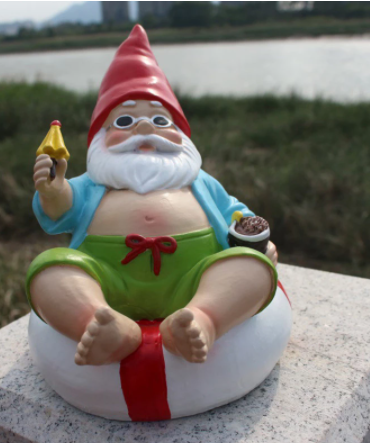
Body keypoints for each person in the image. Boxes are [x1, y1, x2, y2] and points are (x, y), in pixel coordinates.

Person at [26, 25, 278, 366]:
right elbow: (58, 213)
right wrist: (54, 191)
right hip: (107, 280)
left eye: (160, 119)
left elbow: (233, 211)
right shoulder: (93, 183)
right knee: (49, 270)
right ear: (101, 137)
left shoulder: (198, 181)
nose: (144, 128)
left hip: (194, 279)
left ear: (181, 135)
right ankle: (101, 324)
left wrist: (256, 241)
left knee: (251, 268)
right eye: (125, 121)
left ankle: (201, 320)